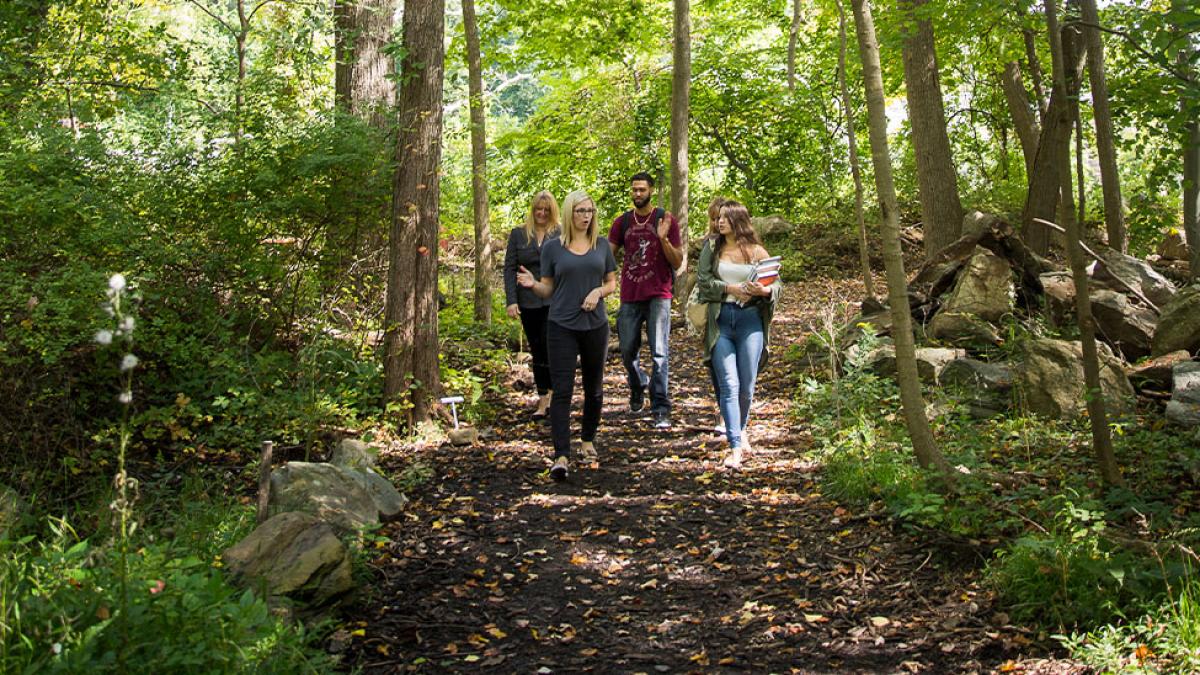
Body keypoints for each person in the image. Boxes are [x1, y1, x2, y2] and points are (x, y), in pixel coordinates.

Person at [516, 190, 617, 481]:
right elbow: (547, 288)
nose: (586, 216)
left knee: (594, 389)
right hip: (561, 325)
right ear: (571, 213)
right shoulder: (553, 248)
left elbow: (611, 283)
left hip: (595, 326)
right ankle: (561, 454)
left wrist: (598, 292)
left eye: (590, 211)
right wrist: (532, 285)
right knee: (562, 391)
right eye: (581, 211)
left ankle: (587, 440)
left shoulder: (600, 246)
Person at [694, 200, 781, 469]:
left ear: (738, 221)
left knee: (747, 385)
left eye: (725, 218)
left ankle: (741, 429)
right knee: (728, 385)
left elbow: (776, 283)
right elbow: (704, 283)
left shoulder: (757, 251)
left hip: (751, 321)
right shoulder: (712, 248)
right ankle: (734, 446)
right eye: (718, 218)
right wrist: (731, 288)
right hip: (721, 321)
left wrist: (763, 291)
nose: (719, 222)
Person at [609, 172, 683, 429]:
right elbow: (608, 257)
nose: (637, 194)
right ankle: (638, 383)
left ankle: (661, 407)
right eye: (634, 190)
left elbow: (677, 261)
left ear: (651, 190)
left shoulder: (666, 219)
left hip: (659, 294)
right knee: (628, 351)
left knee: (660, 353)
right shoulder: (622, 222)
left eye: (642, 189)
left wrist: (662, 237)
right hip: (630, 295)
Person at [503, 191, 560, 420]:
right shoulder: (518, 234)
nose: (542, 213)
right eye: (538, 209)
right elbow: (509, 268)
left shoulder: (559, 233)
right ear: (532, 209)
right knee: (536, 349)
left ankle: (556, 397)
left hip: (554, 299)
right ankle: (543, 397)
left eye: (546, 210)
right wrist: (511, 300)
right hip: (528, 301)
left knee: (551, 347)